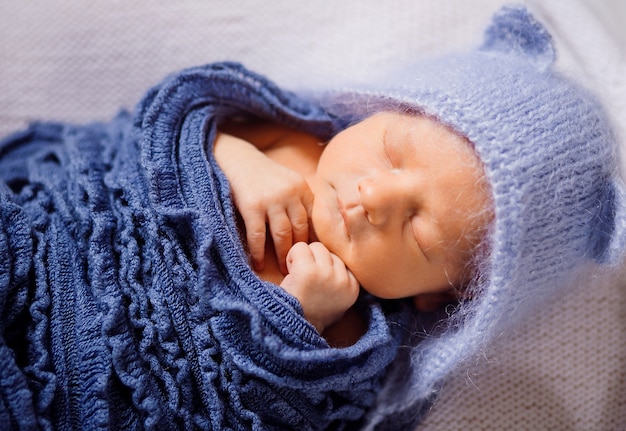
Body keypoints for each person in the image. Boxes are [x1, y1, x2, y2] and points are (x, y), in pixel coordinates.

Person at [214, 110, 493, 340]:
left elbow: (249, 395)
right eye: (390, 154)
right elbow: (181, 127)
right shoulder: (293, 140)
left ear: (433, 296)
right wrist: (240, 161)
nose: (373, 196)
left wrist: (305, 317)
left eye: (418, 232)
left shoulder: (353, 331)